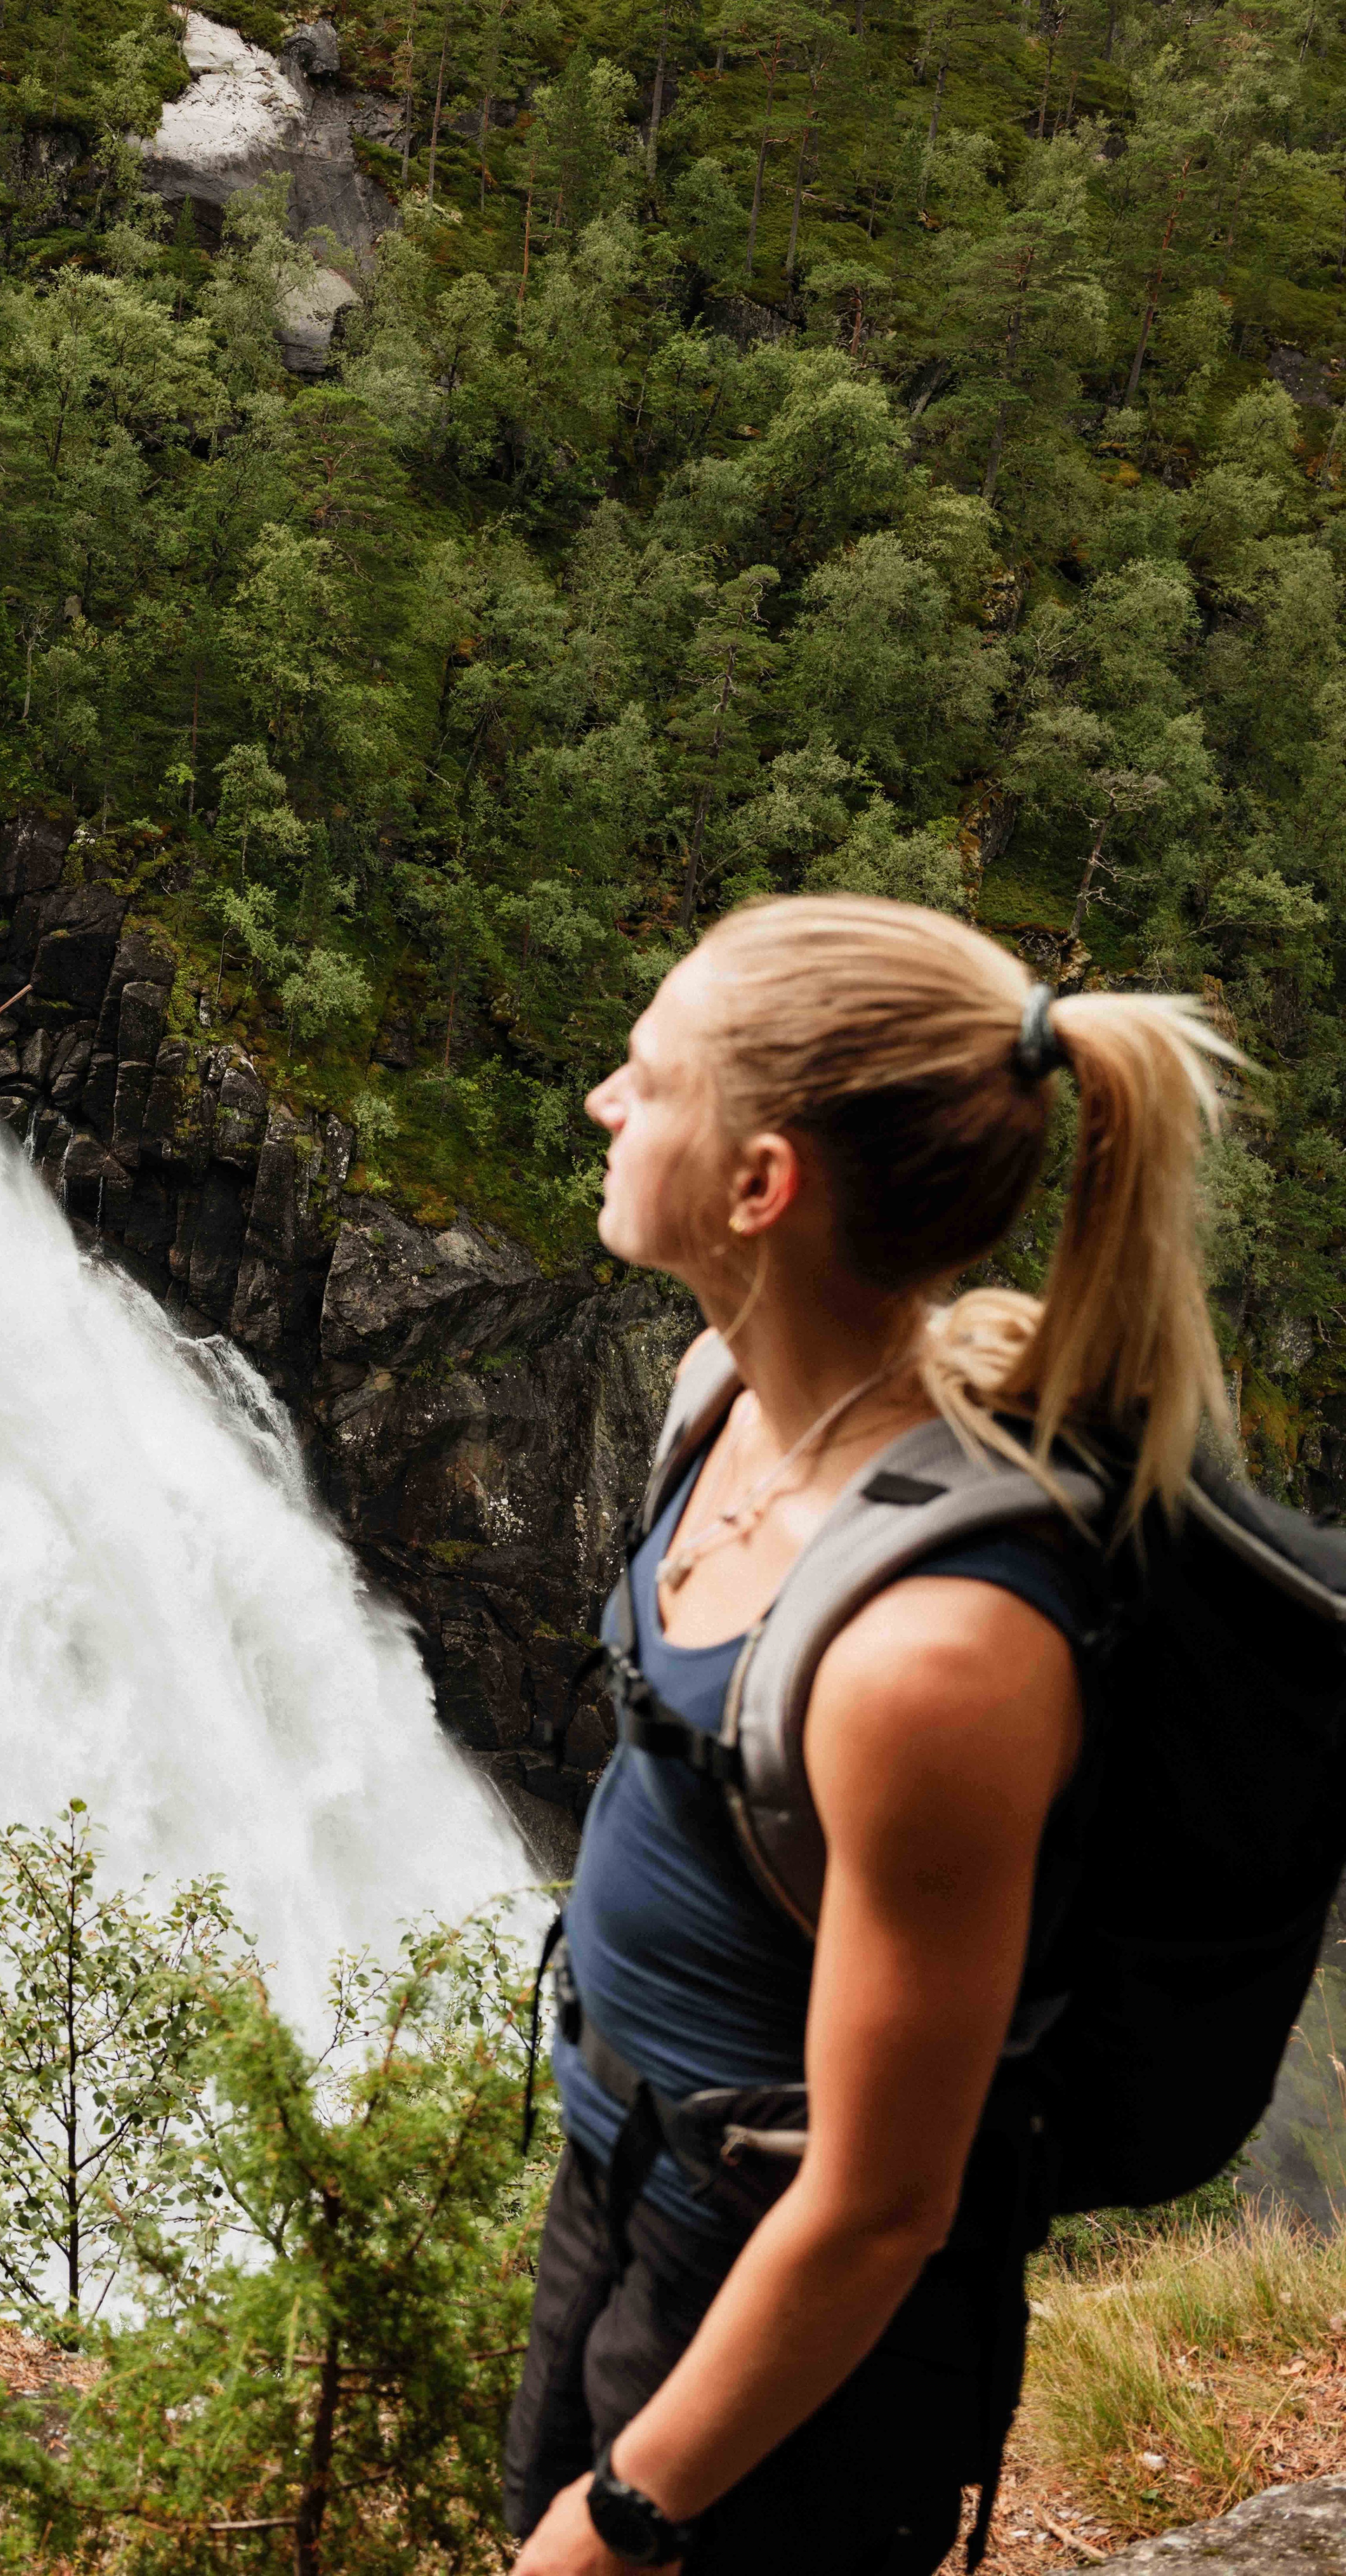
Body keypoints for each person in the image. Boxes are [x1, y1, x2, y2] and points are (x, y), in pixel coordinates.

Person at [506, 894, 1235, 2576]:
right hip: (617, 2160)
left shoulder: (933, 1654)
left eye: (645, 1079)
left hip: (780, 2274)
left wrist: (627, 2514)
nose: (602, 1106)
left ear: (760, 1186)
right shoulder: (716, 1397)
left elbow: (879, 2202)